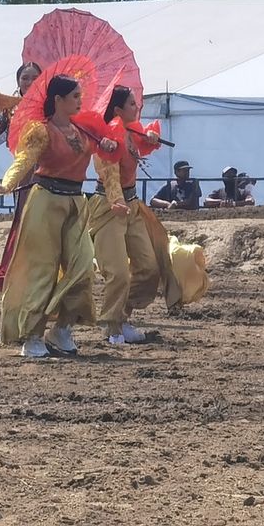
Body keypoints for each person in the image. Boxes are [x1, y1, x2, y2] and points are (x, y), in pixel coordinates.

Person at [0, 74, 120, 358]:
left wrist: (108, 147)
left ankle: (62, 328)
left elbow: (105, 157)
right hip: (45, 202)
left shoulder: (84, 130)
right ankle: (31, 335)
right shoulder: (40, 131)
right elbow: (24, 161)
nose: (81, 101)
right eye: (75, 97)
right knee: (42, 270)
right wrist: (6, 185)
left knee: (83, 266)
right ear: (58, 100)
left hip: (76, 203)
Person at [87, 86, 163, 346]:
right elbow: (108, 172)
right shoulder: (110, 135)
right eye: (132, 103)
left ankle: (122, 317)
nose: (137, 107)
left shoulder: (132, 130)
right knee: (117, 271)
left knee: (149, 267)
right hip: (109, 206)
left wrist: (150, 137)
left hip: (130, 204)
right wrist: (116, 200)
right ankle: (111, 326)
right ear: (118, 109)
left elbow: (144, 140)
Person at [0, 61, 43, 293]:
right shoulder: (10, 109)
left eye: (35, 78)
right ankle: (25, 274)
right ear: (18, 81)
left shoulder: (52, 106)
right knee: (26, 222)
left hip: (52, 170)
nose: (30, 82)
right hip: (24, 173)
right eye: (26, 78)